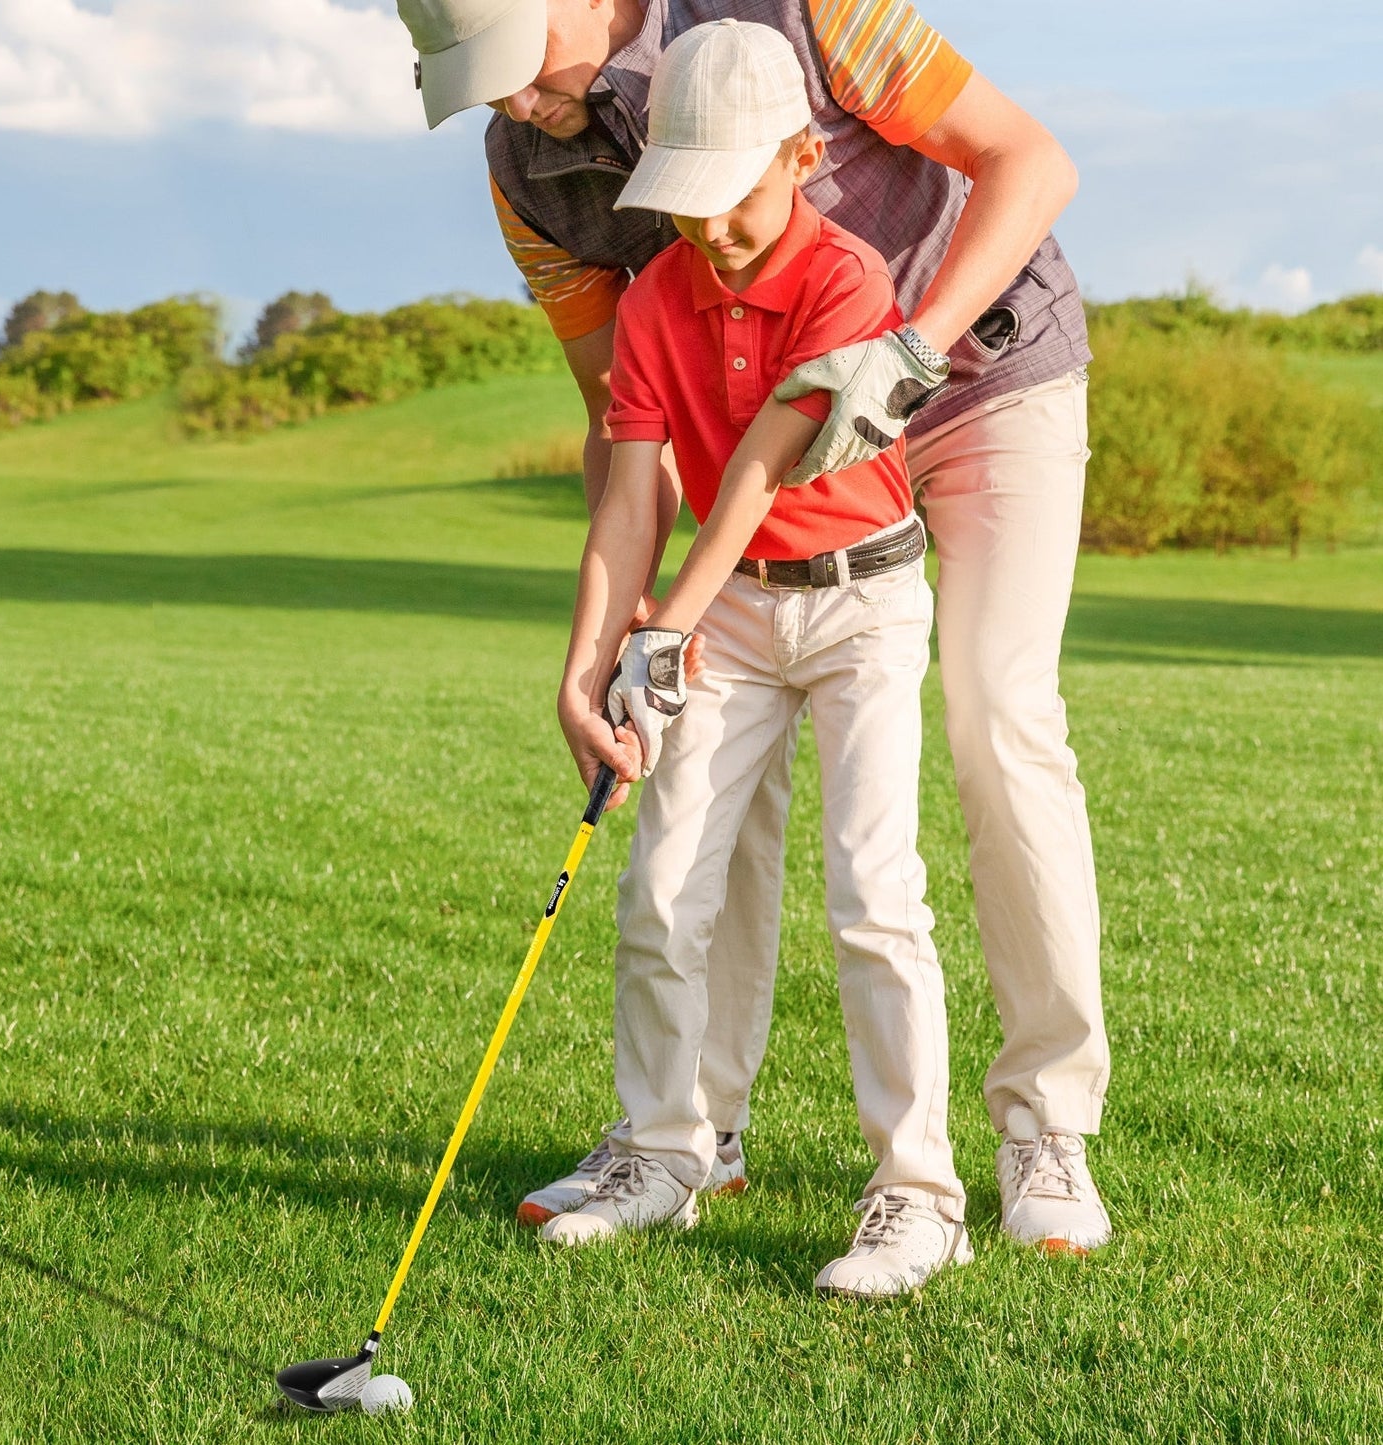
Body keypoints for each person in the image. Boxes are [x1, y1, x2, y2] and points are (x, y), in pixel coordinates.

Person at [398, 0, 1112, 1253]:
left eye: (512, 67)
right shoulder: (527, 167)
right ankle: (692, 1128)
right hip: (766, 482)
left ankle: (1040, 1123)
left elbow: (1029, 161)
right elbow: (629, 432)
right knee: (704, 800)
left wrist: (908, 348)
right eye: (476, 88)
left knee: (997, 715)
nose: (510, 106)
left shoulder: (803, 14)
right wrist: (614, 653)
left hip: (978, 368)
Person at [543, 18, 968, 1295]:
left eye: (732, 199)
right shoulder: (656, 299)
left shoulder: (848, 280)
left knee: (871, 891)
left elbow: (750, 476)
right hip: (727, 617)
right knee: (663, 886)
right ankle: (669, 1150)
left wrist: (661, 627)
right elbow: (634, 494)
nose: (710, 231)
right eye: (686, 203)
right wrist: (588, 660)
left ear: (798, 155)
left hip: (861, 604)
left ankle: (915, 1192)